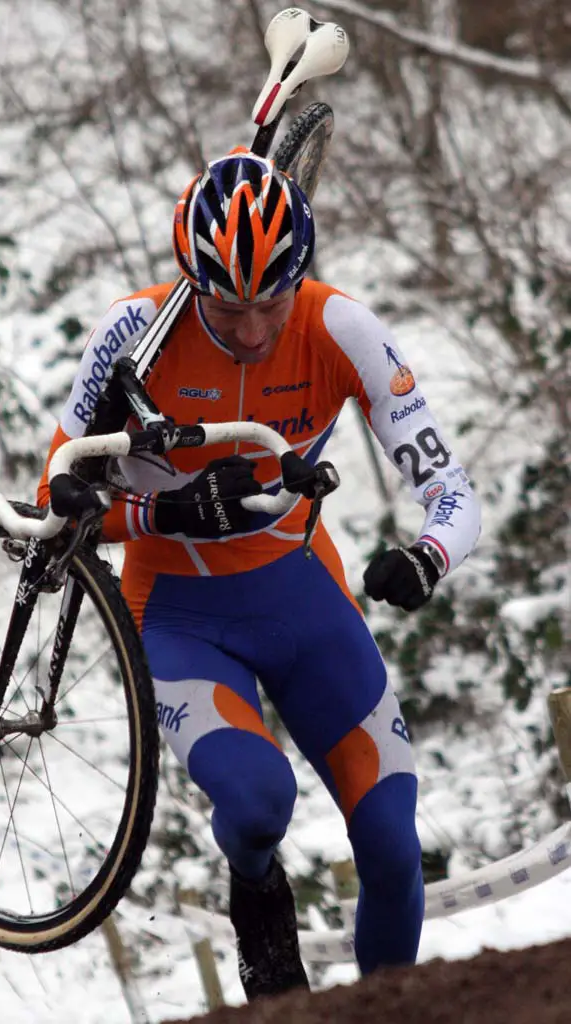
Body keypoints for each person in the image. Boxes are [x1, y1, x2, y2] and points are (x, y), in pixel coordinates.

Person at [38, 150, 481, 1001]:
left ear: (299, 278)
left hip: (300, 595)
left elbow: (451, 491)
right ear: (189, 280)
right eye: (226, 306)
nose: (248, 329)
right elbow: (54, 503)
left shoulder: (340, 326)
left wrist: (426, 555)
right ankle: (259, 901)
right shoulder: (135, 333)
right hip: (175, 614)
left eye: (269, 303)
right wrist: (167, 512)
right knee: (254, 807)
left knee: (391, 846)